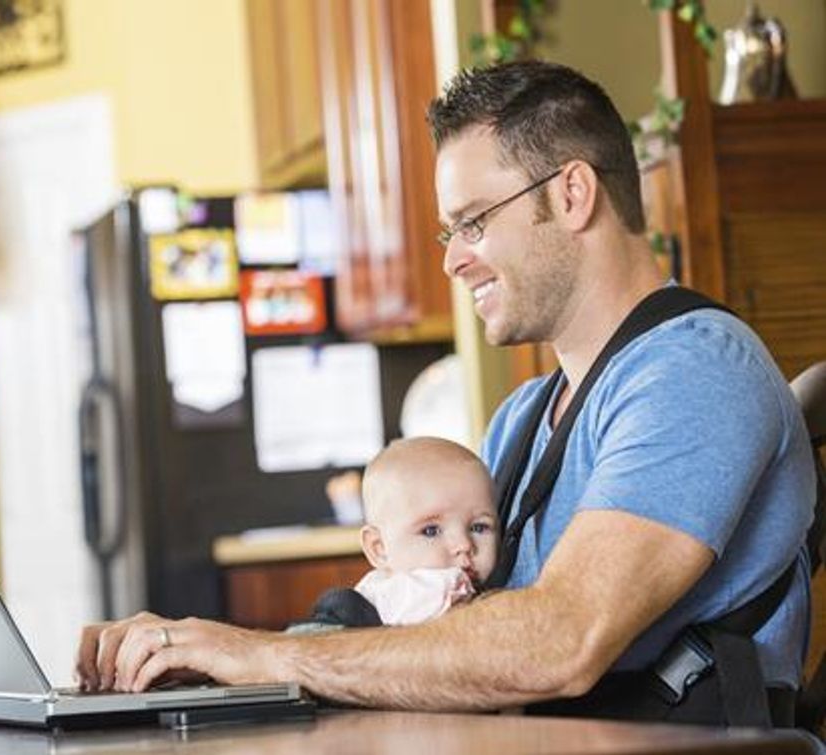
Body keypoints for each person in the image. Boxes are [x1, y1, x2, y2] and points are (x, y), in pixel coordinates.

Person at [74, 61, 815, 725]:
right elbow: (445, 632)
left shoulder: (695, 371)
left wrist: (260, 653)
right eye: (448, 232)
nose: (455, 259)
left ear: (573, 193)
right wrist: (227, 669)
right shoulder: (526, 416)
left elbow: (562, 640)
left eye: (473, 222)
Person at [298, 436, 498, 630]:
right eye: (431, 531)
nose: (464, 544)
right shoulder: (398, 598)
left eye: (479, 527)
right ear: (380, 548)